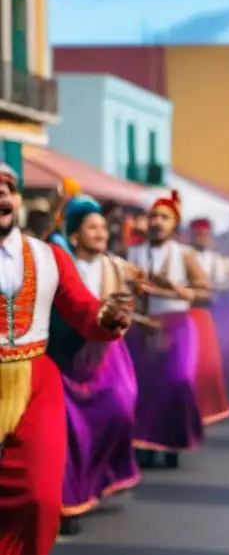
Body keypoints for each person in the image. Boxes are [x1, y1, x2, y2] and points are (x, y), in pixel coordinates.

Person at [0, 165, 133, 555]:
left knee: (37, 499)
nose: (1, 195)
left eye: (7, 188)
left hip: (35, 381)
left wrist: (109, 318)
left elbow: (83, 310)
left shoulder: (49, 255)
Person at [52, 196, 141, 536]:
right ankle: (68, 501)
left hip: (108, 357)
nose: (101, 232)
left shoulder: (117, 267)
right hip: (66, 355)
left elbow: (132, 302)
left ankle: (99, 475)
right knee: (68, 430)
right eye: (93, 227)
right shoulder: (59, 265)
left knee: (120, 410)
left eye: (104, 227)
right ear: (74, 235)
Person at [126, 191, 208, 468]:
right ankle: (145, 444)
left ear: (175, 223)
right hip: (143, 325)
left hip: (177, 325)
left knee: (177, 381)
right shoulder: (133, 253)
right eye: (154, 216)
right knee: (144, 387)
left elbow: (204, 292)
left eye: (164, 217)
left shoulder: (184, 254)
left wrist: (171, 287)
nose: (157, 222)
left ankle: (173, 442)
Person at [187, 218, 229, 425]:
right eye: (198, 234)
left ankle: (204, 408)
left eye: (205, 235)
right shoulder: (184, 255)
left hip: (206, 312)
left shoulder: (216, 260)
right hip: (186, 310)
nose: (201, 238)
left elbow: (221, 285)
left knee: (208, 363)